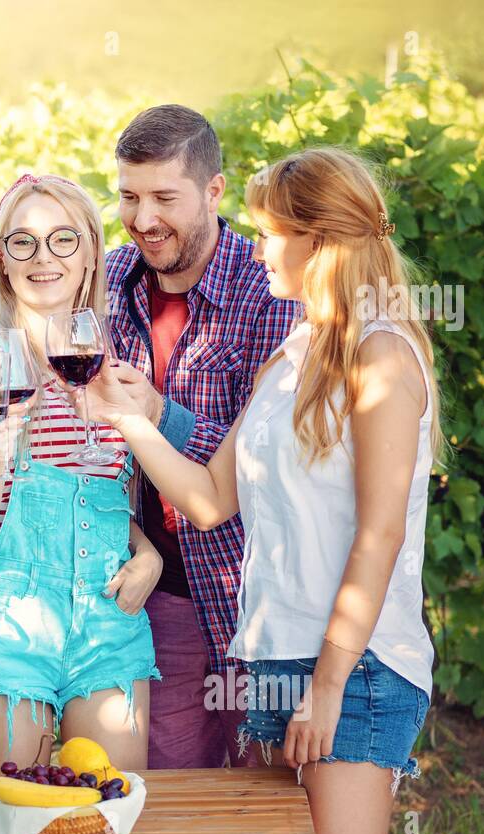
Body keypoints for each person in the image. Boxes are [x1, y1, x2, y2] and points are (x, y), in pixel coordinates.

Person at [85, 146, 441, 834]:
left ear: (322, 240)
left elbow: (378, 534)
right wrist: (126, 421)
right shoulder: (295, 351)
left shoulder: (383, 356)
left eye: (273, 232)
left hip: (354, 668)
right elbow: (211, 499)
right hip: (276, 659)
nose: (257, 248)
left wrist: (329, 685)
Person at [101, 104, 302, 768]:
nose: (143, 218)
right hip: (160, 594)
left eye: (164, 197)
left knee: (269, 794)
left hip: (256, 593)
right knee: (173, 801)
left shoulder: (270, 290)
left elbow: (270, 455)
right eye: (129, 196)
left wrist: (162, 414)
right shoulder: (109, 282)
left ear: (214, 190)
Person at [0, 173, 163, 773]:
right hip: (11, 617)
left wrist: (148, 555)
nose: (44, 259)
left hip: (108, 617)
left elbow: (112, 494)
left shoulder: (113, 364)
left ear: (92, 251)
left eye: (63, 240)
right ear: (2, 257)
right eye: (23, 242)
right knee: (10, 825)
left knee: (108, 815)